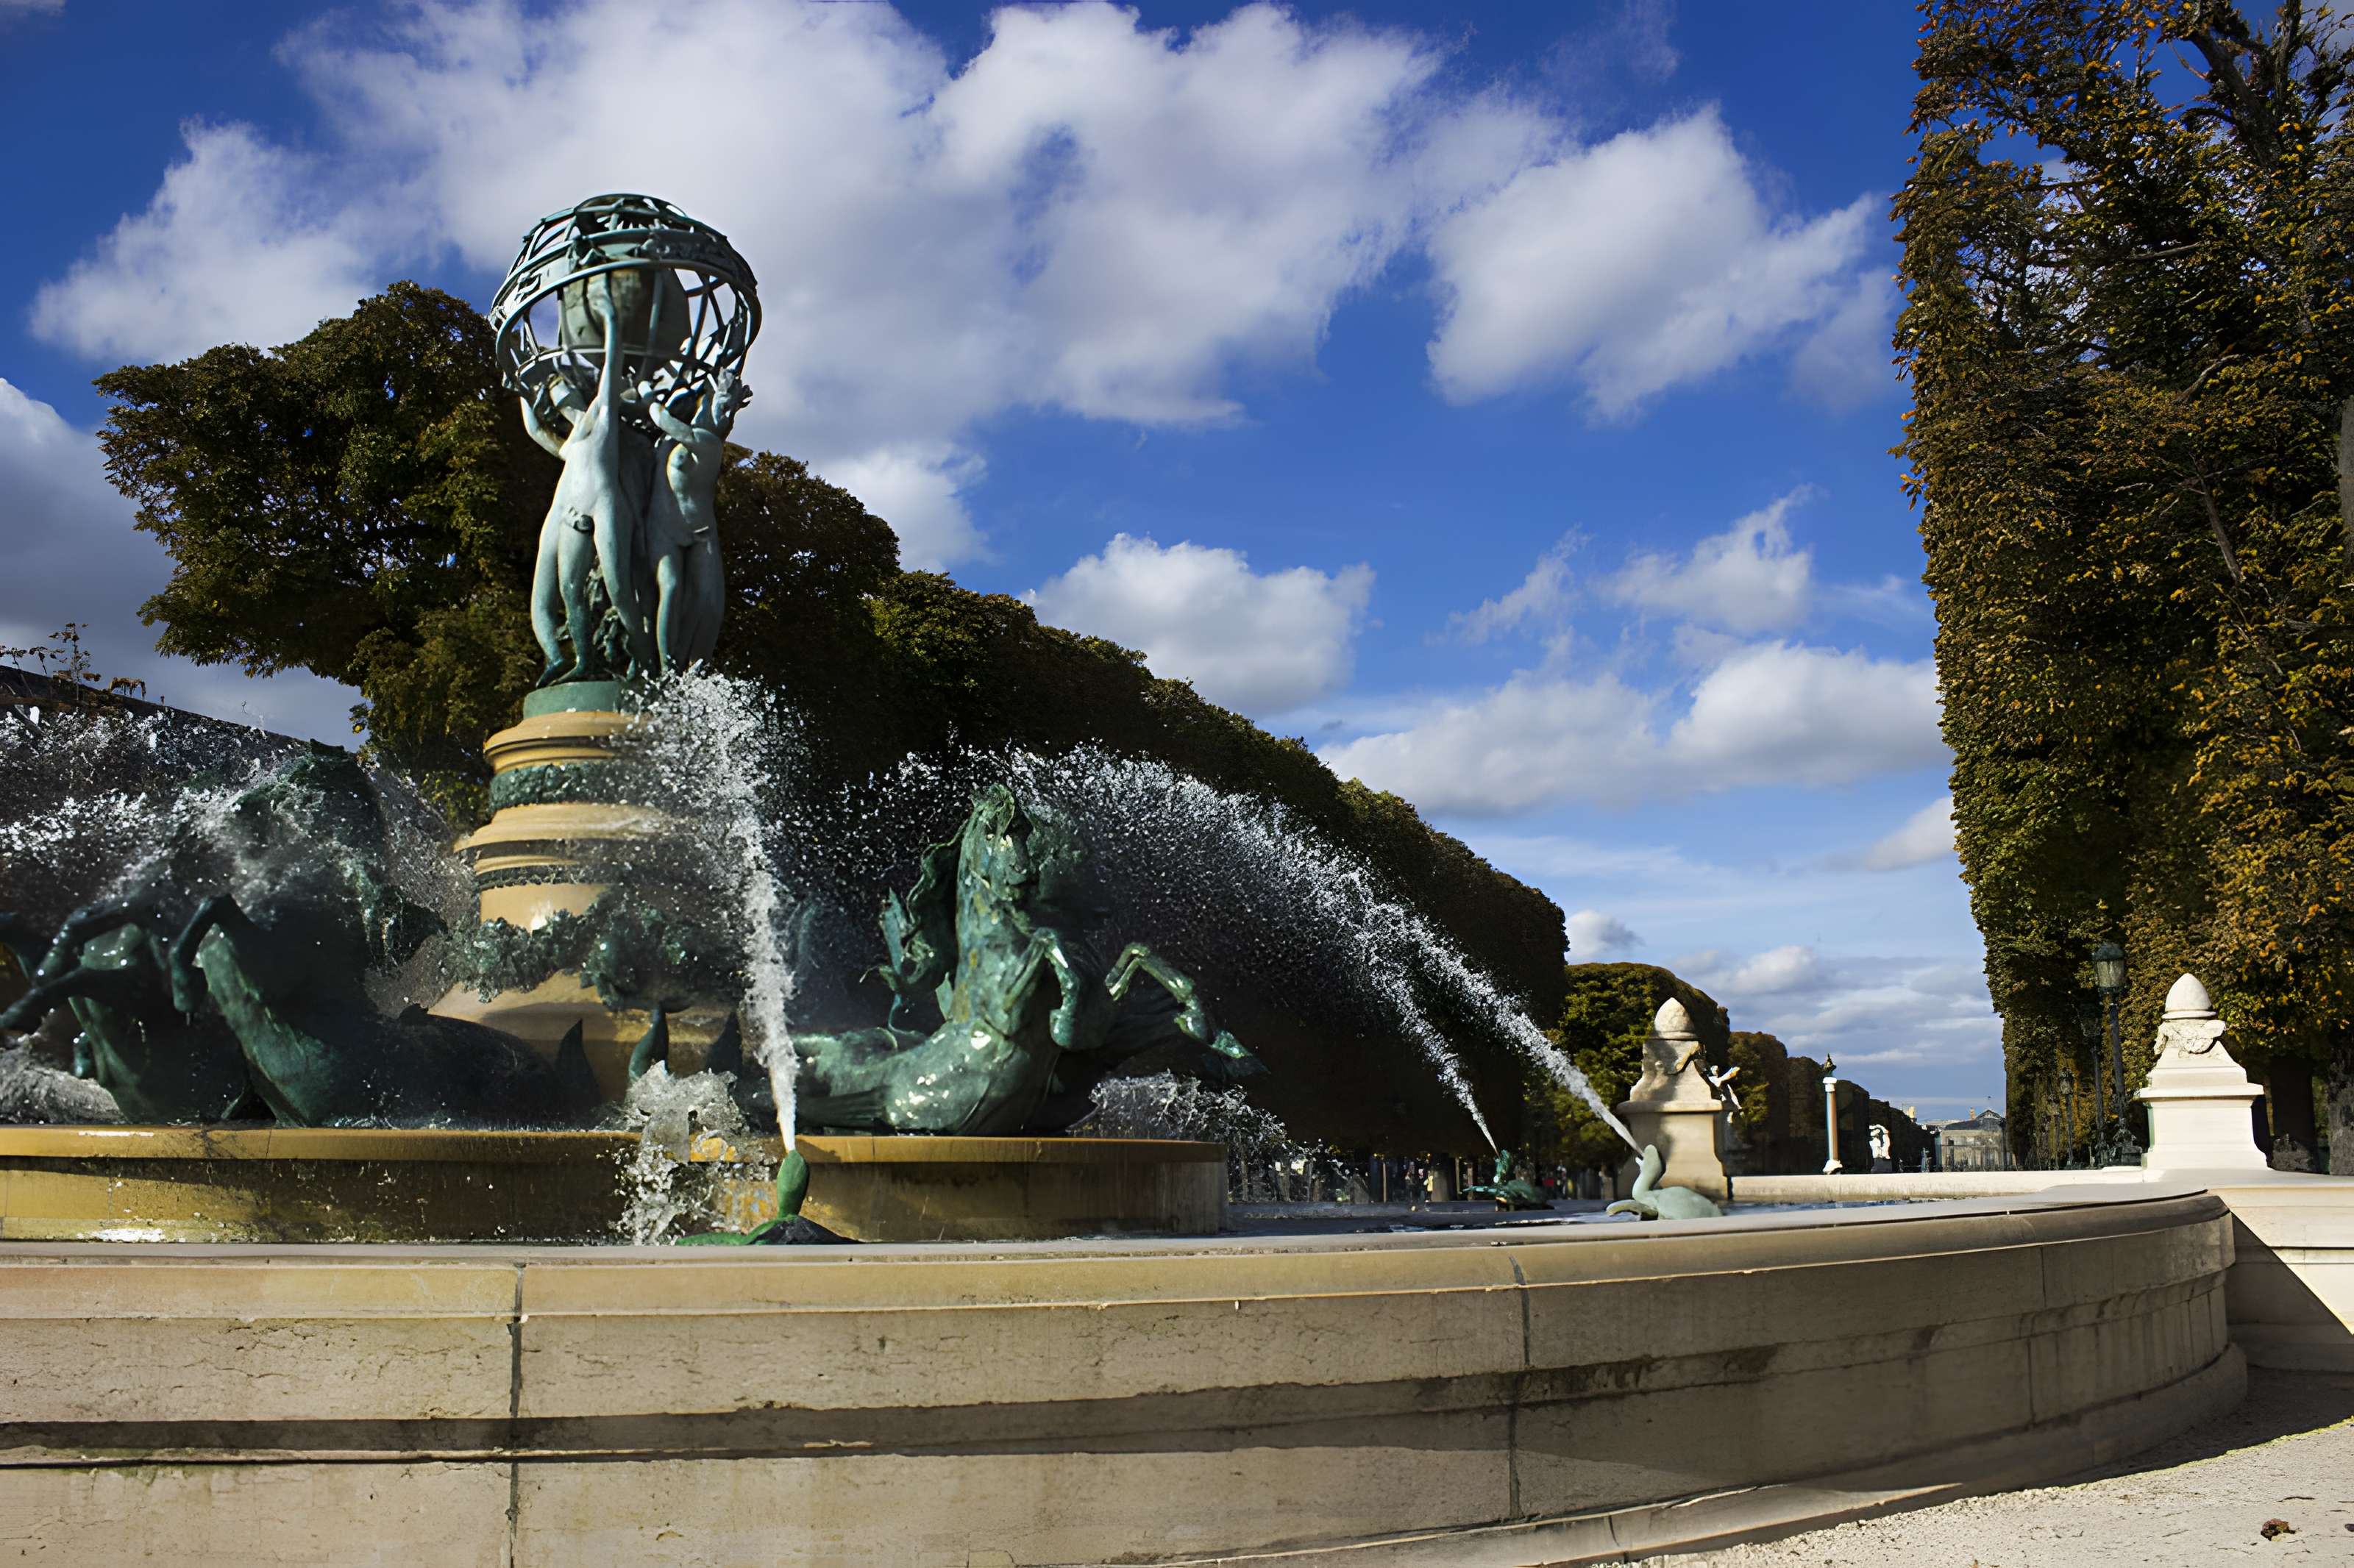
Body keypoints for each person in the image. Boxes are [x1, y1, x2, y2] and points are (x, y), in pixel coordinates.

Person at [519, 272, 652, 683]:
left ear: (577, 395)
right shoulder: (571, 445)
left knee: (618, 590)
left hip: (605, 504)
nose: (558, 403)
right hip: (568, 511)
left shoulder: (605, 419)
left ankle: (645, 657)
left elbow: (612, 365)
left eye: (561, 394)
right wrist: (525, 392)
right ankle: (576, 661)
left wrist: (610, 316)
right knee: (562, 594)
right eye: (553, 399)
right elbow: (533, 430)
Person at [641, 368, 750, 669]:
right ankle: (667, 666)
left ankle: (690, 667)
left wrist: (646, 393)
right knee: (673, 589)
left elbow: (662, 420)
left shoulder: (705, 441)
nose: (724, 417)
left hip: (700, 531)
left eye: (728, 412)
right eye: (721, 407)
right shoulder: (684, 440)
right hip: (666, 528)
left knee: (707, 602)